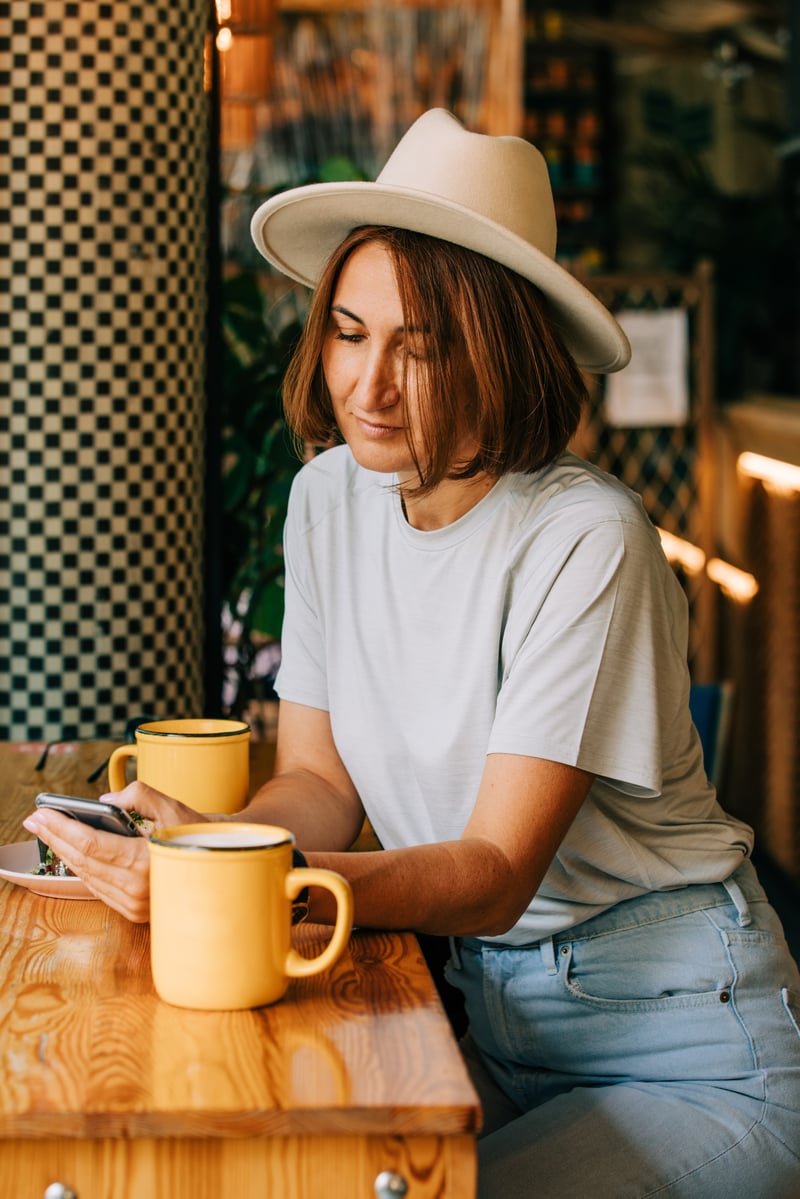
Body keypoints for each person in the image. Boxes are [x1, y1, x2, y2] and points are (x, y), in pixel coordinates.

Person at [25, 108, 800, 1196]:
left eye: (420, 347)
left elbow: (490, 874)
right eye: (348, 331)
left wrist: (251, 885)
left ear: (502, 348)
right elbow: (319, 782)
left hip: (688, 1054)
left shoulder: (584, 535)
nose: (368, 386)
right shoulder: (327, 495)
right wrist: (212, 841)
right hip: (489, 1027)